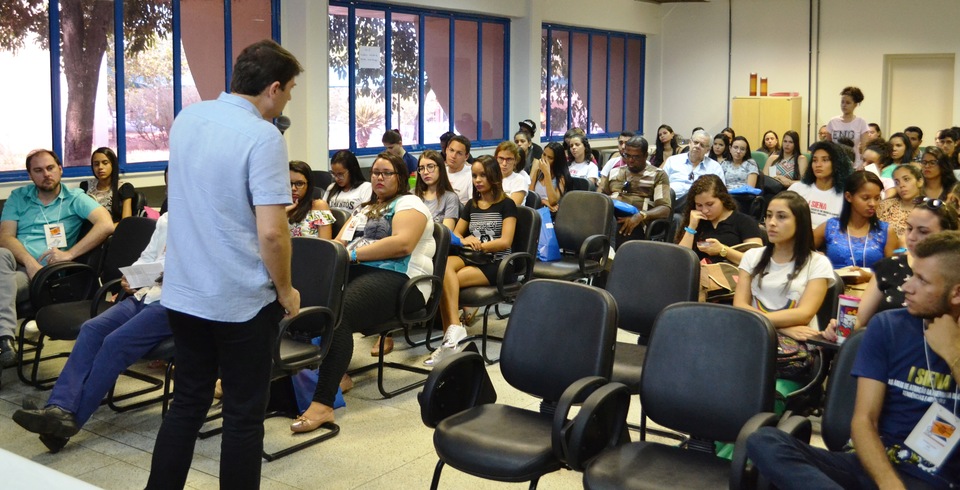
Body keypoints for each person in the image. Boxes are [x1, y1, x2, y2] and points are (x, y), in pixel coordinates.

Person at [148, 40, 302, 489]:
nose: (288, 99)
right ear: (273, 88)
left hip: (184, 293)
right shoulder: (263, 136)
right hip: (239, 302)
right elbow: (273, 232)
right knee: (242, 416)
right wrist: (287, 290)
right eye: (290, 90)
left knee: (187, 403)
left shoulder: (187, 118)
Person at [747, 230, 960, 489]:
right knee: (765, 441)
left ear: (956, 293)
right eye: (913, 275)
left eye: (923, 281)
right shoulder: (888, 327)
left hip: (937, 479)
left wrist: (953, 354)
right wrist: (889, 485)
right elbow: (863, 420)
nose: (907, 287)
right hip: (871, 464)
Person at [293, 152, 435, 432]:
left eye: (386, 173)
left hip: (403, 280)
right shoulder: (364, 208)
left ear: (400, 178)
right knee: (304, 300)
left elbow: (402, 245)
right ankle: (333, 374)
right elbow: (338, 243)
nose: (378, 178)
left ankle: (322, 405)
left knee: (338, 313)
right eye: (375, 173)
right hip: (358, 272)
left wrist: (353, 255)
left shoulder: (410, 203)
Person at [12, 213, 171, 453]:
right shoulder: (168, 219)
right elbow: (148, 257)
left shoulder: (208, 219)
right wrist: (131, 278)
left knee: (115, 343)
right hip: (143, 295)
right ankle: (58, 409)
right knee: (91, 329)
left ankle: (68, 422)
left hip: (173, 304)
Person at [0, 150, 114, 368]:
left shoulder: (74, 199)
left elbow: (106, 224)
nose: (46, 174)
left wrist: (69, 254)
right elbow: (5, 237)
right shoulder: (18, 197)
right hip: (17, 267)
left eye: (50, 168)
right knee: (1, 253)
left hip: (47, 277)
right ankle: (4, 340)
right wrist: (30, 262)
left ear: (60, 169)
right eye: (38, 170)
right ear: (30, 175)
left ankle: (3, 340)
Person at [734, 191, 835, 403]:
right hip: (755, 337)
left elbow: (804, 313)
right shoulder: (753, 256)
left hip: (795, 348)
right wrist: (781, 327)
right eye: (769, 215)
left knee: (758, 380)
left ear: (800, 222)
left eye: (781, 217)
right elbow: (739, 306)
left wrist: (761, 323)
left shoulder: (817, 263)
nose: (771, 223)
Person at [430, 155, 517, 366]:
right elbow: (456, 234)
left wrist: (478, 244)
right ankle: (453, 334)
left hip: (497, 263)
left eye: (483, 175)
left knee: (446, 281)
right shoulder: (472, 204)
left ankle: (449, 340)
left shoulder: (507, 205)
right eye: (475, 175)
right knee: (443, 268)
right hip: (473, 257)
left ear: (494, 176)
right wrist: (465, 240)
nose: (477, 180)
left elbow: (505, 241)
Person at [824, 199, 959, 334]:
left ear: (946, 236)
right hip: (885, 346)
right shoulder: (889, 266)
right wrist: (839, 328)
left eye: (923, 232)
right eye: (909, 228)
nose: (911, 237)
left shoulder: (954, 274)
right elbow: (859, 318)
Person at [814, 171, 897, 281]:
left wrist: (870, 277)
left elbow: (894, 272)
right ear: (849, 197)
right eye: (865, 198)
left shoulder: (886, 231)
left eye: (877, 198)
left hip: (870, 294)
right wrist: (816, 257)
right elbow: (800, 252)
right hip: (832, 290)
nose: (873, 203)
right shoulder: (830, 226)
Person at [598, 135, 672, 248]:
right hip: (612, 215)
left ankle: (610, 257)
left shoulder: (658, 175)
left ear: (646, 156)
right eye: (627, 156)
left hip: (637, 220)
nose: (630, 160)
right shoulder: (614, 172)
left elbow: (665, 209)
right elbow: (601, 197)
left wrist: (641, 216)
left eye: (636, 157)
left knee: (618, 225)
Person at [676, 175, 762, 265]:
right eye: (699, 205)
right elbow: (681, 260)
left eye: (710, 204)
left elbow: (756, 261)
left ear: (723, 199)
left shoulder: (745, 222)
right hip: (700, 275)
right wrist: (691, 227)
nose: (705, 210)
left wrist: (722, 250)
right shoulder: (696, 221)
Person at [788, 140, 853, 228]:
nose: (818, 165)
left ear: (837, 164)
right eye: (814, 160)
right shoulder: (797, 189)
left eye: (825, 160)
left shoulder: (846, 196)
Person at [662, 129, 726, 211]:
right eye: (695, 142)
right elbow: (661, 186)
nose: (697, 146)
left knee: (692, 195)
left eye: (702, 145)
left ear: (708, 150)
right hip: (671, 203)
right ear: (690, 143)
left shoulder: (714, 167)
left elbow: (721, 193)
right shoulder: (672, 161)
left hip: (700, 207)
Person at [80, 147, 135, 223]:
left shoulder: (125, 187)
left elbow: (126, 222)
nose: (100, 167)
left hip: (113, 231)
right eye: (96, 164)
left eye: (105, 163)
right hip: (88, 229)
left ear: (113, 165)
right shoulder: (85, 186)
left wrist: (103, 230)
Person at [288, 160, 335, 239]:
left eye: (299, 184)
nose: (293, 188)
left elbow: (325, 246)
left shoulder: (318, 206)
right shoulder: (280, 209)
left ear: (309, 185)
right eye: (289, 184)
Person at [414, 149, 459, 230]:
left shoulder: (450, 197)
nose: (425, 172)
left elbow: (446, 233)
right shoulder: (413, 195)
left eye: (430, 167)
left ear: (440, 168)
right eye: (421, 168)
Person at [878, 164, 925, 239]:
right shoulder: (885, 206)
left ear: (920, 182)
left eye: (906, 179)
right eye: (897, 182)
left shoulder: (928, 209)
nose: (901, 185)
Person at [825, 86, 869, 166]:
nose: (844, 105)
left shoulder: (861, 122)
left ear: (855, 105)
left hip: (854, 163)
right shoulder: (833, 121)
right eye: (842, 102)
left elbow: (864, 147)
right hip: (836, 163)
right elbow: (828, 146)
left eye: (848, 103)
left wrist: (863, 164)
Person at [529, 142, 570, 213]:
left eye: (550, 158)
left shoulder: (561, 177)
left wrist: (547, 174)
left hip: (552, 213)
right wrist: (544, 201)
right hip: (536, 210)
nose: (545, 159)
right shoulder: (538, 172)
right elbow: (531, 197)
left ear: (557, 160)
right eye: (544, 155)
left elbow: (553, 201)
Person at [495, 141, 531, 206]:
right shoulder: (491, 177)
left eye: (509, 159)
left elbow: (512, 207)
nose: (504, 164)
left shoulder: (519, 180)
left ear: (515, 161)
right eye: (501, 158)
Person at [445, 134, 474, 205]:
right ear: (446, 150)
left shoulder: (472, 174)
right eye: (451, 150)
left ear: (466, 156)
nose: (453, 156)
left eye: (459, 153)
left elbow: (472, 204)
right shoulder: (440, 171)